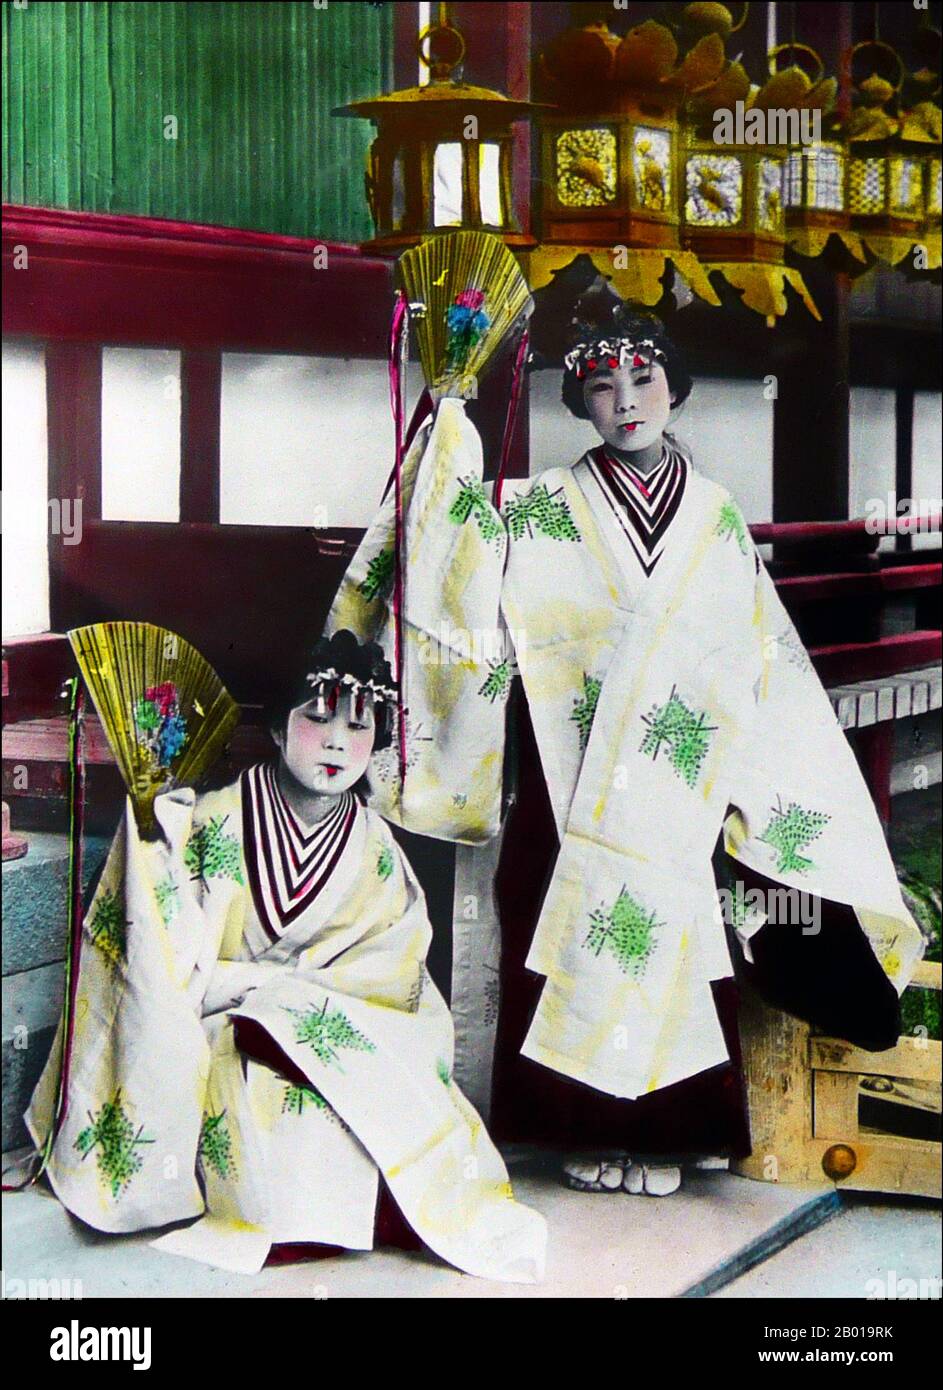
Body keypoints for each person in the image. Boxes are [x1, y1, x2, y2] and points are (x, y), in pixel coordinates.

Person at [329, 298, 924, 1199]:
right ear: (579, 405)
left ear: (674, 390)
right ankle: (572, 1126)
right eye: (601, 387)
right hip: (572, 768)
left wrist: (752, 782)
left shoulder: (716, 516)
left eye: (643, 380)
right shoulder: (538, 511)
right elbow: (447, 555)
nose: (626, 402)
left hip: (682, 776)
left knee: (681, 937)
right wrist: (445, 415)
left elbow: (753, 651)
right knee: (562, 922)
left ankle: (675, 1137)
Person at [26, 630, 546, 1281]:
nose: (334, 742)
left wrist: (289, 999)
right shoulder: (210, 822)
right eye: (316, 718)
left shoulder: (378, 852)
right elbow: (163, 958)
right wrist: (248, 987)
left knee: (364, 1102)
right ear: (276, 729)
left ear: (377, 744)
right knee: (275, 1105)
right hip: (225, 1033)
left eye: (358, 727)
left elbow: (393, 974)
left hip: (322, 1032)